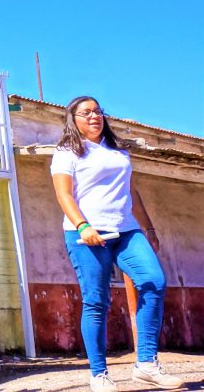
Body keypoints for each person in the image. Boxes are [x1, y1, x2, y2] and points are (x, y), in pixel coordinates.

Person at [51, 95, 182, 391]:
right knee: (96, 301)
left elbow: (130, 193)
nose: (94, 116)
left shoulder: (118, 150)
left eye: (98, 111)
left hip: (126, 231)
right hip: (85, 234)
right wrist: (82, 225)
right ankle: (99, 374)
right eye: (86, 113)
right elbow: (64, 195)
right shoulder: (66, 152)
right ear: (73, 119)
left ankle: (146, 364)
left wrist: (148, 228)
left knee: (154, 282)